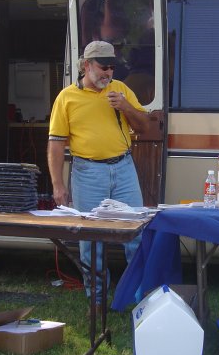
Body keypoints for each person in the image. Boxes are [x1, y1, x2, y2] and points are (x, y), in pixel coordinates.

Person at [47, 41, 149, 309]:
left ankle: (138, 299)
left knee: (135, 234)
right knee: (91, 240)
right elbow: (56, 143)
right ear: (86, 66)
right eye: (103, 67)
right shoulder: (67, 97)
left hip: (124, 168)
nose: (109, 73)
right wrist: (58, 185)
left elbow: (145, 127)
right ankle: (97, 302)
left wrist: (126, 107)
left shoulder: (121, 90)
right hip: (87, 171)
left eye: (112, 67)